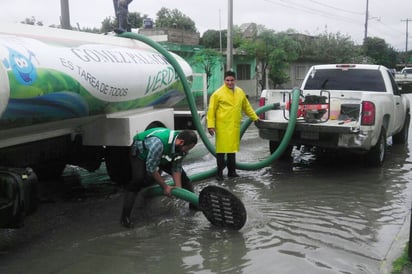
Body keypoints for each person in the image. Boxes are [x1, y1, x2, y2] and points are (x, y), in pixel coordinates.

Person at [120, 127, 198, 228]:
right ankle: (125, 218)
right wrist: (165, 187)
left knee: (185, 179)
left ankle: (195, 205)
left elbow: (176, 167)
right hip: (141, 151)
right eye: (187, 149)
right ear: (181, 142)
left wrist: (178, 188)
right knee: (137, 181)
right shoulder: (159, 143)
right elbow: (151, 168)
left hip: (162, 154)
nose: (187, 151)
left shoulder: (181, 146)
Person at [207, 71, 260, 181]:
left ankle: (232, 172)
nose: (230, 82)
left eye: (232, 80)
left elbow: (247, 107)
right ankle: (219, 173)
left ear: (235, 80)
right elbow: (211, 110)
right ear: (224, 80)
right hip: (222, 126)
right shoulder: (217, 94)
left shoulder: (240, 92)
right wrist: (210, 125)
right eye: (227, 80)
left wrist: (255, 117)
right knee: (221, 151)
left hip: (234, 125)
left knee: (232, 150)